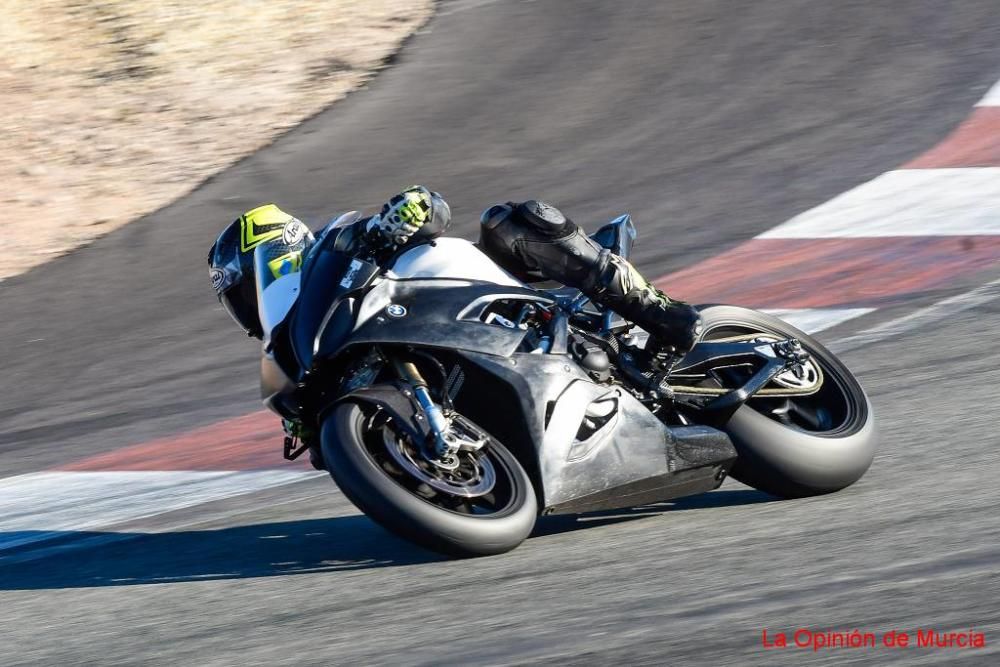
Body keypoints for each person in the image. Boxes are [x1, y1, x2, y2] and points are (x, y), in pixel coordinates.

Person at [208, 186, 702, 458]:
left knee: (514, 220)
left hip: (482, 302)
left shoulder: (346, 247)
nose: (243, 303)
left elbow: (432, 207)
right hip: (428, 365)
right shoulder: (295, 343)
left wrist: (407, 214)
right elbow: (323, 452)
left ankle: (656, 309)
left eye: (240, 289)